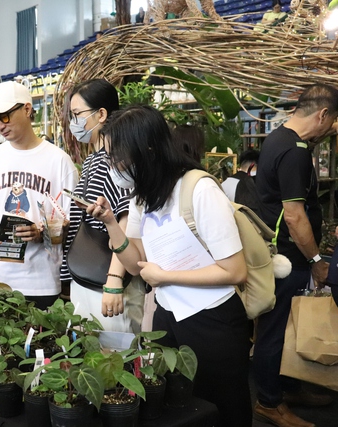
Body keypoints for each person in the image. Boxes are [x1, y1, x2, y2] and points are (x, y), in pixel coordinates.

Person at [87, 105, 252, 427]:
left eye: (117, 156)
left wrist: (164, 276)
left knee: (223, 407)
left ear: (146, 149)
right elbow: (135, 265)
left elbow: (234, 271)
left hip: (213, 319)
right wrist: (110, 223)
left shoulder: (199, 189)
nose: (113, 166)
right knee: (175, 408)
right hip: (168, 315)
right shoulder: (141, 197)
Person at [253, 84, 337, 427]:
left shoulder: (279, 138)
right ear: (322, 114)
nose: (331, 130)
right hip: (288, 256)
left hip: (280, 252)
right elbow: (294, 215)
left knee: (283, 325)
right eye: (331, 123)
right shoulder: (295, 151)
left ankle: (285, 386)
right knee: (274, 330)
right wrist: (316, 261)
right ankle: (269, 402)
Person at [0, 81, 78, 309]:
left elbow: (71, 226)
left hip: (39, 281)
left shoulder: (59, 161)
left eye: (5, 116)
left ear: (27, 110)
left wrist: (42, 233)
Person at [62, 79, 144, 333]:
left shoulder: (117, 157)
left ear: (101, 114)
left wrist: (114, 279)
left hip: (108, 279)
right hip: (86, 272)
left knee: (115, 358)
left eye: (77, 115)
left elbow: (126, 217)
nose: (74, 123)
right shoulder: (91, 161)